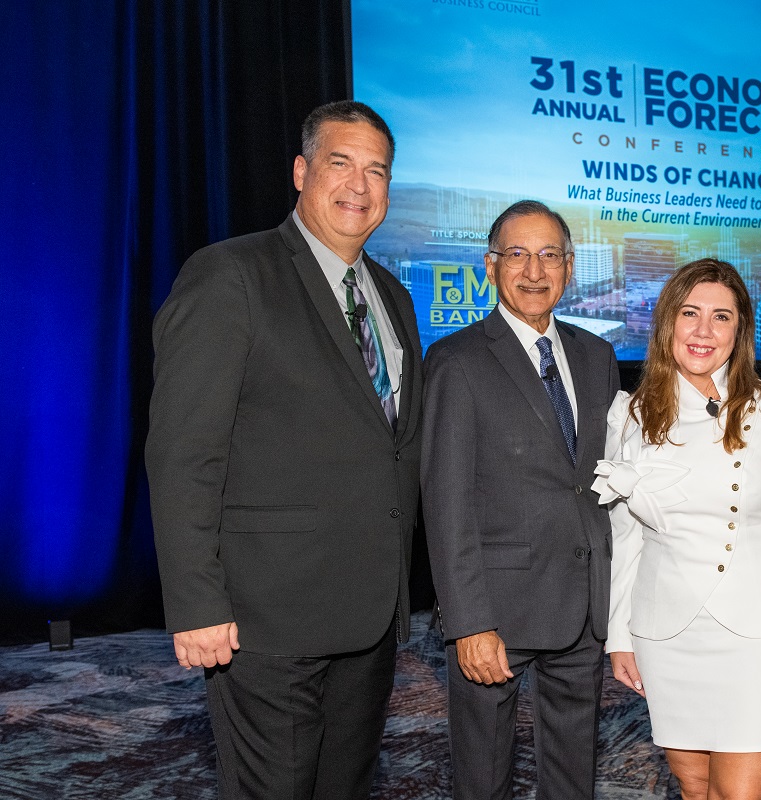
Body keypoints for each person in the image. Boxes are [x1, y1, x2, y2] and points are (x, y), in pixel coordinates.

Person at [145, 100, 422, 799]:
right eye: (340, 163)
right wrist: (197, 602)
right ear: (301, 171)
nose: (359, 185)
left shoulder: (393, 295)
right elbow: (183, 452)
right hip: (265, 620)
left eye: (376, 171)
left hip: (369, 617)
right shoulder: (230, 276)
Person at [595, 259, 761, 800]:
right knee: (694, 785)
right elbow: (625, 538)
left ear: (740, 329)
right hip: (666, 631)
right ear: (667, 322)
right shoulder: (630, 415)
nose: (703, 331)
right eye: (690, 313)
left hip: (757, 636)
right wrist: (621, 637)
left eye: (721, 317)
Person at [421, 200, 621, 800]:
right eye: (518, 255)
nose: (534, 271)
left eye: (550, 256)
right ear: (490, 265)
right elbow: (445, 500)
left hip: (584, 606)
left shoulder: (597, 357)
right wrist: (468, 621)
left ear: (569, 267)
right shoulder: (456, 361)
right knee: (483, 777)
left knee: (573, 775)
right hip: (495, 613)